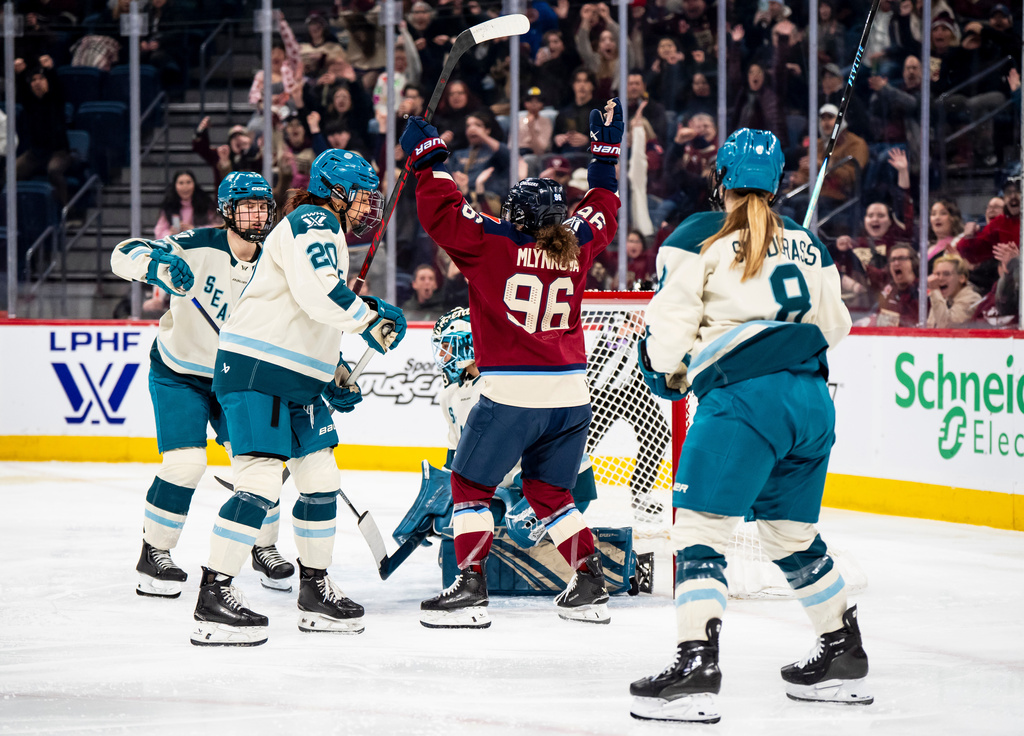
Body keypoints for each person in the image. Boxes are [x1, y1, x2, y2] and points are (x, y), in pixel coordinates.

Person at [629, 128, 865, 723]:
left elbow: (667, 328)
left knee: (699, 535)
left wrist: (671, 368)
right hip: (811, 401)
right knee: (790, 537)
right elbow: (836, 326)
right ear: (779, 181)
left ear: (722, 177)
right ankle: (843, 653)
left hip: (745, 404)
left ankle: (695, 668)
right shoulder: (811, 244)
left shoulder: (696, 235)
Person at [399, 97, 625, 628]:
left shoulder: (495, 243)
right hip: (572, 394)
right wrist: (604, 154)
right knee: (550, 492)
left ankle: (470, 587)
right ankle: (588, 580)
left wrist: (427, 158)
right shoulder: (577, 244)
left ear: (517, 215)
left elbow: (443, 214)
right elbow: (604, 207)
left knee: (470, 487)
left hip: (512, 393)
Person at [192, 150, 408, 646]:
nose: (366, 207)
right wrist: (367, 318)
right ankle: (213, 595)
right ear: (334, 191)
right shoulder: (312, 220)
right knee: (261, 484)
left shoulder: (322, 228)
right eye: (361, 196)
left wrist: (331, 369)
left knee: (320, 477)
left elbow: (307, 311)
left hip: (294, 379)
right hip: (257, 372)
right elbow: (319, 292)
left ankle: (314, 590)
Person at [110, 172, 294, 600]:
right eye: (247, 206)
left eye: (263, 206)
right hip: (180, 372)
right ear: (227, 211)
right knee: (185, 464)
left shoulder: (277, 261)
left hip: (240, 377)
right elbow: (123, 254)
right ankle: (153, 552)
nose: (257, 214)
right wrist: (156, 266)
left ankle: (263, 547)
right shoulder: (197, 244)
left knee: (262, 467)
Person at [926, 254, 982, 328]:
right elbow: (929, 327)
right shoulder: (941, 298)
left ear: (962, 278)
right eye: (937, 274)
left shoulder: (972, 299)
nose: (940, 278)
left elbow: (946, 325)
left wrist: (935, 290)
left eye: (946, 274)